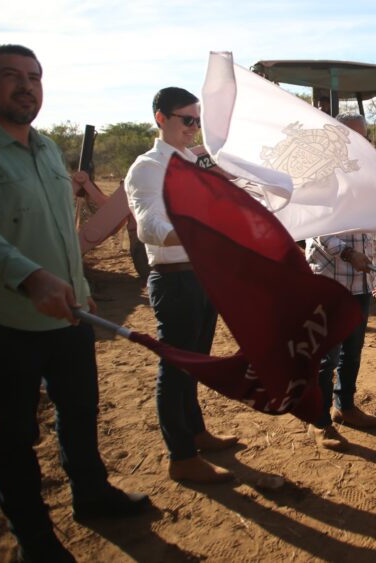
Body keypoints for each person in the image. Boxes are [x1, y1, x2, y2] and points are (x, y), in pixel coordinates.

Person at [0, 45, 149, 562]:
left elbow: (59, 228)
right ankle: (33, 539)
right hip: (2, 316)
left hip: (68, 310)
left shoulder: (44, 149)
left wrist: (74, 281)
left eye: (35, 77)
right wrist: (30, 277)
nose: (27, 86)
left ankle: (92, 495)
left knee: (80, 408)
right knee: (18, 428)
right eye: (12, 76)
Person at [125, 87, 239, 485]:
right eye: (186, 120)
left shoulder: (198, 163)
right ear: (161, 118)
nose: (194, 128)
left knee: (196, 362)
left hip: (204, 276)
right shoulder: (148, 168)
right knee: (175, 368)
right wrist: (200, 232)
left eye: (197, 120)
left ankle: (196, 434)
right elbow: (149, 228)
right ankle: (180, 455)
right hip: (175, 280)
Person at [304, 114, 376, 449]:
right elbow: (314, 225)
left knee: (352, 350)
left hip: (360, 281)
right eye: (355, 135)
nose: (361, 141)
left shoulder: (367, 174)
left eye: (364, 136)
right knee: (327, 355)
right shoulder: (319, 175)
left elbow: (373, 225)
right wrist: (348, 254)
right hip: (332, 281)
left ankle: (344, 406)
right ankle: (318, 421)